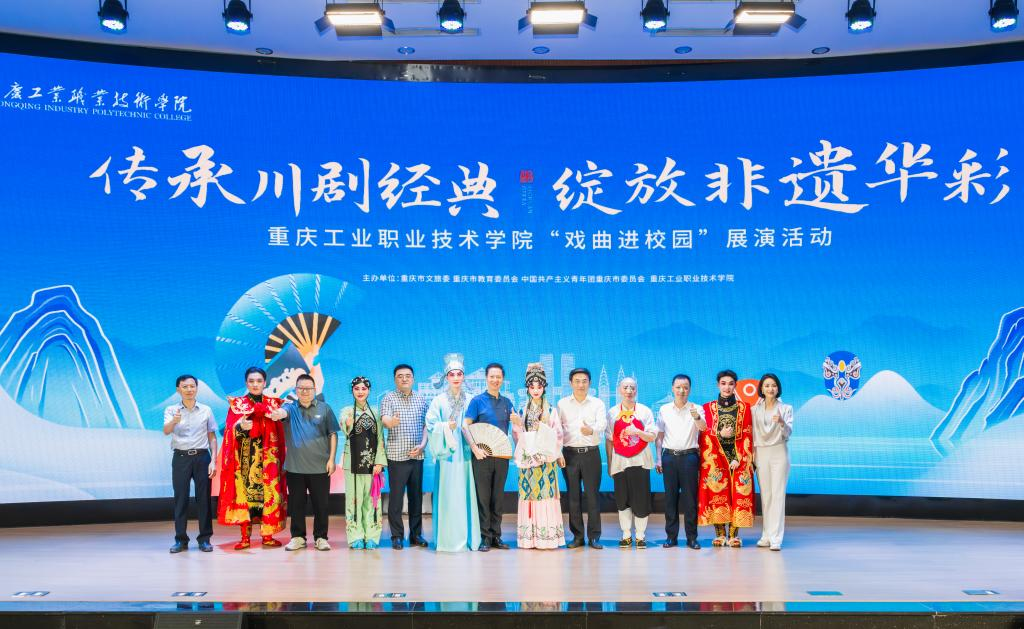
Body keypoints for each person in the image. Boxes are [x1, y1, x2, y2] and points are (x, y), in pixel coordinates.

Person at [217, 366, 287, 550]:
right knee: (245, 496)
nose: (255, 384)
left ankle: (267, 535)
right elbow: (229, 431)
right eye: (251, 381)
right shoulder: (237, 405)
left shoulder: (273, 405)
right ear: (246, 383)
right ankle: (245, 537)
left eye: (259, 381)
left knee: (268, 495)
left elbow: (281, 433)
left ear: (265, 383)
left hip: (268, 458)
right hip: (245, 460)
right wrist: (240, 427)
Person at [268, 373, 339, 552]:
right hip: (295, 468)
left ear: (314, 389)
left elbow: (333, 434)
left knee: (321, 505)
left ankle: (321, 538)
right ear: (296, 389)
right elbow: (282, 413)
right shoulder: (290, 407)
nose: (305, 391)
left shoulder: (325, 408)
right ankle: (298, 537)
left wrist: (331, 459)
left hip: (320, 467)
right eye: (301, 388)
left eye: (308, 388)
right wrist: (277, 413)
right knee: (297, 505)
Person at [425, 354, 481, 552]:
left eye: (459, 374)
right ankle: (448, 540)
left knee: (466, 494)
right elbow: (430, 424)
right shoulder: (438, 401)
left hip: (466, 454)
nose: (456, 378)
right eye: (452, 374)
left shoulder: (472, 399)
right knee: (449, 496)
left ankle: (469, 538)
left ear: (463, 376)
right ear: (446, 377)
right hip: (448, 456)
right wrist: (444, 426)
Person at [464, 362, 518, 551]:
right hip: (482, 457)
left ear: (503, 379)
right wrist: (475, 448)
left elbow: (517, 428)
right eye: (492, 376)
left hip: (501, 457)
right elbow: (465, 426)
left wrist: (518, 422)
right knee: (483, 497)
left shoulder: (507, 403)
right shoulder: (477, 401)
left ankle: (497, 536)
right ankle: (485, 538)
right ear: (486, 378)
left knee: (498, 498)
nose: (495, 380)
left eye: (498, 377)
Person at [511, 362, 565, 549]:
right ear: (527, 388)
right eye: (532, 386)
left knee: (545, 497)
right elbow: (517, 436)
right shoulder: (521, 411)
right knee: (529, 496)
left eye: (539, 386)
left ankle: (546, 537)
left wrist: (549, 452)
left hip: (545, 461)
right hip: (528, 461)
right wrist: (518, 425)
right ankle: (529, 538)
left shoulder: (551, 411)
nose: (535, 390)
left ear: (544, 388)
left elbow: (558, 435)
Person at [698, 369, 754, 548]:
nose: (727, 387)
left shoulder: (745, 408)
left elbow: (747, 434)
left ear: (735, 385)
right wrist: (719, 434)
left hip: (738, 458)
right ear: (718, 385)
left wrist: (739, 458)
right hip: (716, 457)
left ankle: (734, 535)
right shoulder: (707, 408)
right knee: (717, 494)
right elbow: (703, 433)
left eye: (731, 384)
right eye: (723, 384)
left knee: (738, 495)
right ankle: (720, 534)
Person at [164, 374, 218, 553]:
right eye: (185, 386)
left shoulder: (206, 410)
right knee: (181, 499)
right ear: (178, 389)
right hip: (181, 458)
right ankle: (181, 540)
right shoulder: (171, 409)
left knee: (204, 500)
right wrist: (174, 421)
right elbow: (166, 431)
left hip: (202, 458)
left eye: (192, 386)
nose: (189, 389)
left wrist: (213, 460)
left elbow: (212, 437)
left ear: (197, 388)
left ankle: (205, 539)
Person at [380, 364, 429, 550]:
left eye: (408, 376)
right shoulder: (389, 398)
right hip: (396, 457)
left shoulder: (421, 399)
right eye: (400, 376)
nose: (404, 379)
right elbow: (385, 419)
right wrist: (391, 422)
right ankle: (397, 535)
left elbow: (426, 426)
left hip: (417, 456)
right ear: (395, 380)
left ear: (413, 379)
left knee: (416, 497)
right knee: (396, 499)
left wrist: (423, 445)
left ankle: (416, 535)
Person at [557, 367, 607, 549]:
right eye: (577, 381)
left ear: (589, 383)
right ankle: (577, 536)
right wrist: (557, 452)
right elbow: (557, 429)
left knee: (593, 496)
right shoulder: (562, 404)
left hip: (591, 454)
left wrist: (591, 430)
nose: (581, 384)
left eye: (584, 381)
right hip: (569, 454)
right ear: (570, 383)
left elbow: (603, 423)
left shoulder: (597, 403)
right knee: (573, 496)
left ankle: (594, 537)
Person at [605, 377, 657, 548]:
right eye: (625, 387)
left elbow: (652, 436)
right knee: (622, 500)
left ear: (636, 390)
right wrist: (610, 463)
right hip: (620, 462)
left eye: (632, 388)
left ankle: (640, 536)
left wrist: (637, 432)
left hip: (640, 461)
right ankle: (626, 535)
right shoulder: (612, 412)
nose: (629, 391)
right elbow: (609, 440)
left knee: (641, 500)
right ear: (619, 390)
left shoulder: (644, 411)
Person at [655, 374, 704, 550]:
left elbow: (703, 428)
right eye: (678, 387)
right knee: (670, 498)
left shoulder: (697, 408)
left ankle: (692, 538)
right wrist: (659, 458)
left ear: (689, 389)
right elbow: (659, 436)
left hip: (690, 457)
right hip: (669, 457)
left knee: (690, 499)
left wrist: (696, 417)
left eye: (685, 387)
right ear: (672, 388)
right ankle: (671, 537)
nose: (681, 390)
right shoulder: (664, 409)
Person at [341, 376, 387, 549]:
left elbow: (380, 438)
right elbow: (344, 427)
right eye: (357, 388)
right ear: (352, 390)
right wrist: (348, 422)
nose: (360, 392)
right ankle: (355, 536)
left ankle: (372, 535)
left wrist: (379, 462)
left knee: (372, 500)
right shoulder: (347, 411)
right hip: (352, 464)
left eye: (364, 388)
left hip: (372, 464)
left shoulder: (376, 412)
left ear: (369, 390)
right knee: (354, 500)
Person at [752, 373, 794, 551]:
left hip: (778, 452)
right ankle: (766, 535)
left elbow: (788, 434)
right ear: (761, 388)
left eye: (773, 385)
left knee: (777, 495)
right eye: (767, 385)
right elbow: (751, 434)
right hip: (761, 453)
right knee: (766, 495)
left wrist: (782, 422)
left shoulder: (786, 408)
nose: (770, 389)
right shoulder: (754, 409)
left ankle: (776, 538)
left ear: (778, 388)